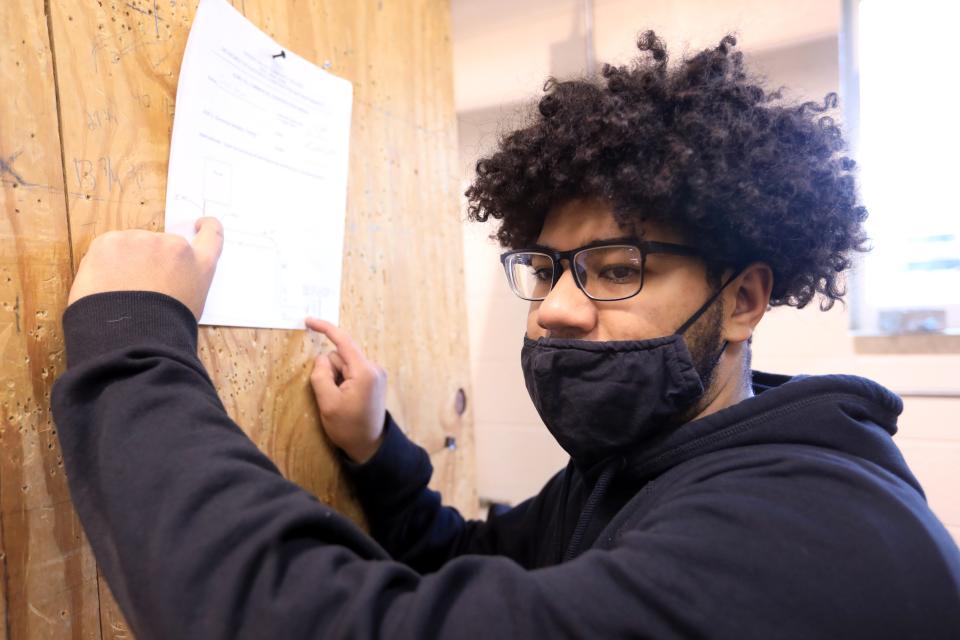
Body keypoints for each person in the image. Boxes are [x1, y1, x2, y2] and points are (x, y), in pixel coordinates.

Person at [52, 33, 960, 639]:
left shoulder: (802, 539)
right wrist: (377, 451)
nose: (555, 311)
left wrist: (133, 345)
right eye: (546, 268)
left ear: (744, 300)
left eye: (615, 269)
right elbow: (467, 565)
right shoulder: (642, 463)